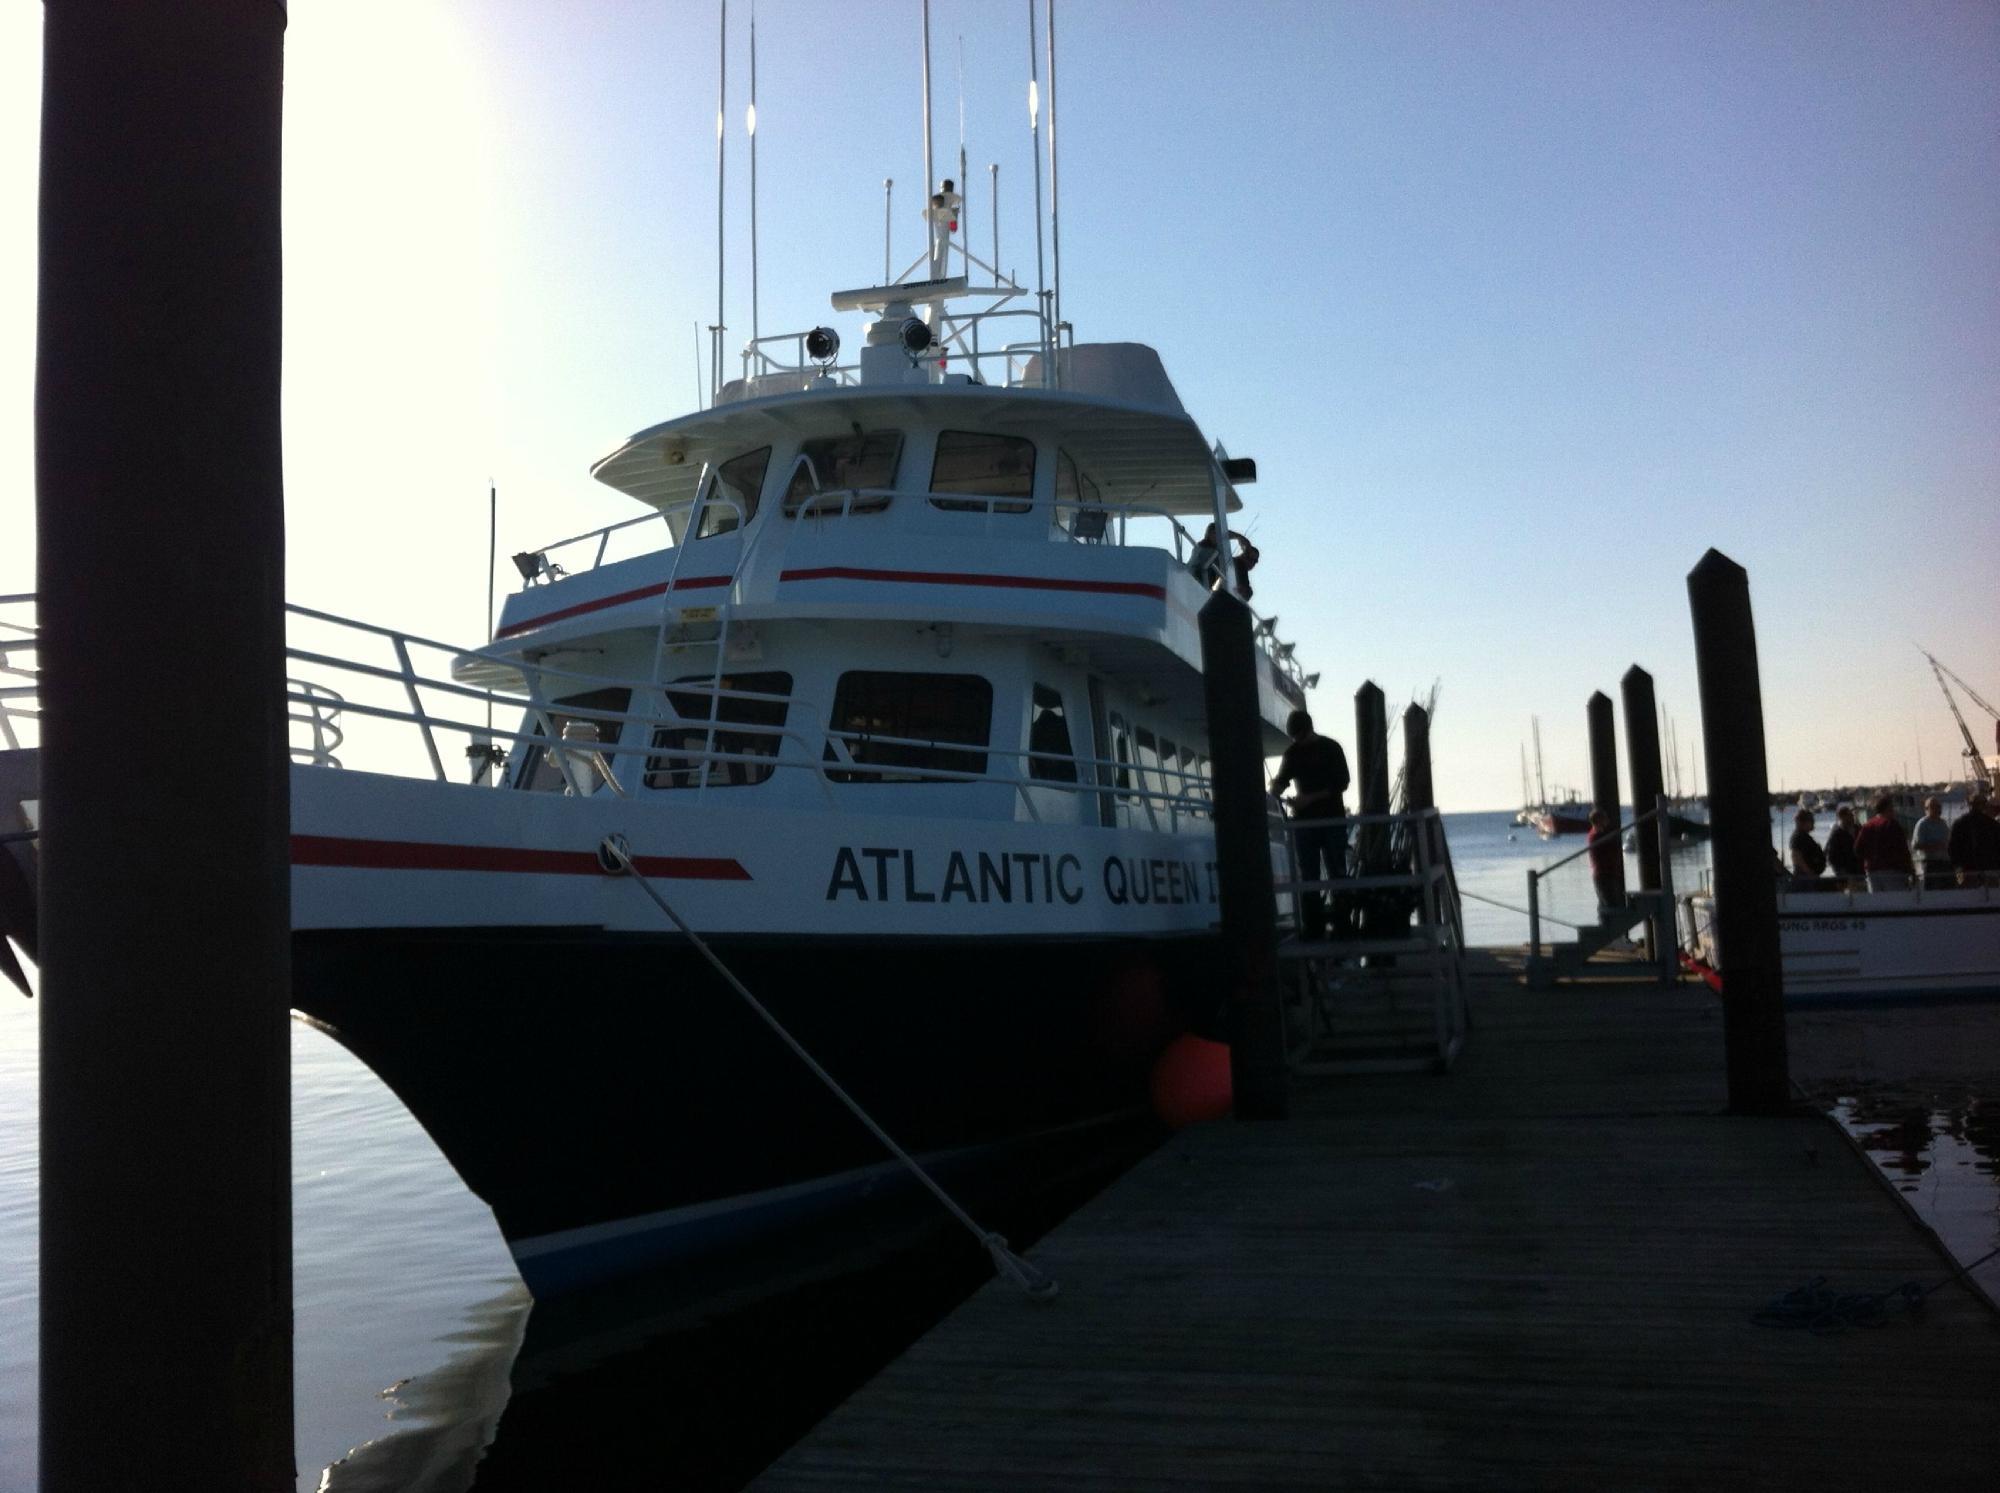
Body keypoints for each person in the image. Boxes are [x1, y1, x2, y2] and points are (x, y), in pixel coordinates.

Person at [1270, 709, 1349, 940]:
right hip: (1306, 823)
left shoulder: (1331, 748)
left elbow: (1342, 783)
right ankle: (1313, 927)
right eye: (1294, 737)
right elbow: (1283, 780)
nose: (1297, 741)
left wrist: (1309, 799)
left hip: (1332, 819)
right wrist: (1274, 789)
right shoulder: (1292, 753)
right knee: (1309, 875)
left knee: (1337, 870)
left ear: (1308, 730)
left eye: (1299, 736)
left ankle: (1343, 925)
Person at [1852, 793, 1914, 890]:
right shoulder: (1892, 824)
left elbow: (1858, 849)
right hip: (1893, 871)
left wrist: (1871, 858)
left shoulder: (1867, 826)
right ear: (1887, 808)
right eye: (1892, 807)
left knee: (1877, 903)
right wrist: (1910, 870)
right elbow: (1903, 849)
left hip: (1872, 871)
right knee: (1896, 902)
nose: (1894, 810)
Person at [1189, 523, 1260, 601]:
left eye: (1255, 561)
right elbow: (1220, 533)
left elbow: (1246, 593)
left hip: (1201, 588)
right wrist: (1240, 537)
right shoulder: (1206, 547)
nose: (1252, 563)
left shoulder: (1235, 565)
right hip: (1192, 580)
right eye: (1250, 558)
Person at [1947, 790, 2000, 884]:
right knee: (1991, 896)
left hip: (1968, 870)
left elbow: (1952, 848)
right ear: (1984, 805)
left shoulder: (1959, 823)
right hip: (1990, 869)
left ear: (1970, 805)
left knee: (1969, 897)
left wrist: (1957, 867)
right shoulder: (1993, 824)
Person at [1909, 796, 1953, 888]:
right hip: (1930, 863)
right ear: (1927, 809)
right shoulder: (1922, 824)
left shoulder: (1943, 824)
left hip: (1944, 863)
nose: (1937, 809)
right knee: (1932, 890)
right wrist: (1933, 846)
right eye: (1933, 806)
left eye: (1938, 806)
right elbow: (1916, 845)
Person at [1585, 808, 1622, 910]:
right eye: (1605, 818)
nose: (1607, 821)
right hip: (1603, 874)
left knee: (1606, 902)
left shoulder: (1596, 834)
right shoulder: (1596, 836)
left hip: (1607, 873)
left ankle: (1607, 922)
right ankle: (1608, 923)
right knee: (1609, 904)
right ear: (1599, 820)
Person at [1824, 804, 1862, 883]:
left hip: (1860, 871)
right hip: (1846, 873)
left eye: (1852, 815)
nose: (1852, 817)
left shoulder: (1859, 829)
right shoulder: (1837, 834)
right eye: (1849, 815)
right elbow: (1831, 856)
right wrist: (1841, 872)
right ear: (1842, 817)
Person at [1788, 808, 1827, 884]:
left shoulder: (1805, 837)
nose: (1814, 823)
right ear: (1803, 822)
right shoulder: (1798, 837)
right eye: (1811, 821)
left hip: (1810, 877)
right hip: (1806, 879)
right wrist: (1810, 873)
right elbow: (1796, 857)